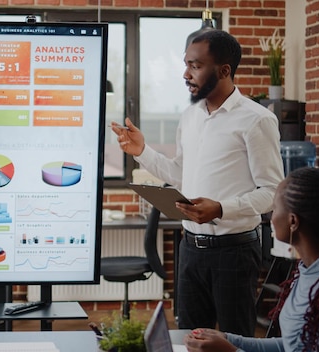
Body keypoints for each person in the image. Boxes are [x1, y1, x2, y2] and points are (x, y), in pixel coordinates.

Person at [111, 29, 285, 336]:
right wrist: (142, 151)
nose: (185, 73)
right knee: (188, 336)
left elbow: (272, 192)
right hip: (190, 249)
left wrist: (221, 208)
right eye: (186, 64)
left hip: (234, 251)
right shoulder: (189, 117)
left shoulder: (257, 120)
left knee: (234, 339)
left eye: (195, 65)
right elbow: (181, 174)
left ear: (224, 70)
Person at [184, 167, 319, 351]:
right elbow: (289, 345)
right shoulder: (309, 270)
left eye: (275, 208)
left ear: (293, 221)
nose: (270, 215)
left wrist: (230, 351)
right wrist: (230, 339)